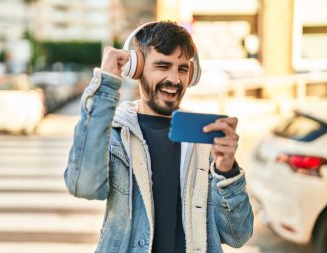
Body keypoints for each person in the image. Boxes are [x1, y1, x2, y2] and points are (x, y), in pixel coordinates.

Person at [64, 21, 254, 253]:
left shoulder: (204, 136)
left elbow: (238, 235)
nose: (174, 79)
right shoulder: (117, 134)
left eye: (182, 68)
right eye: (163, 66)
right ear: (136, 69)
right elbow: (84, 186)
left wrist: (227, 171)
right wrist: (106, 85)